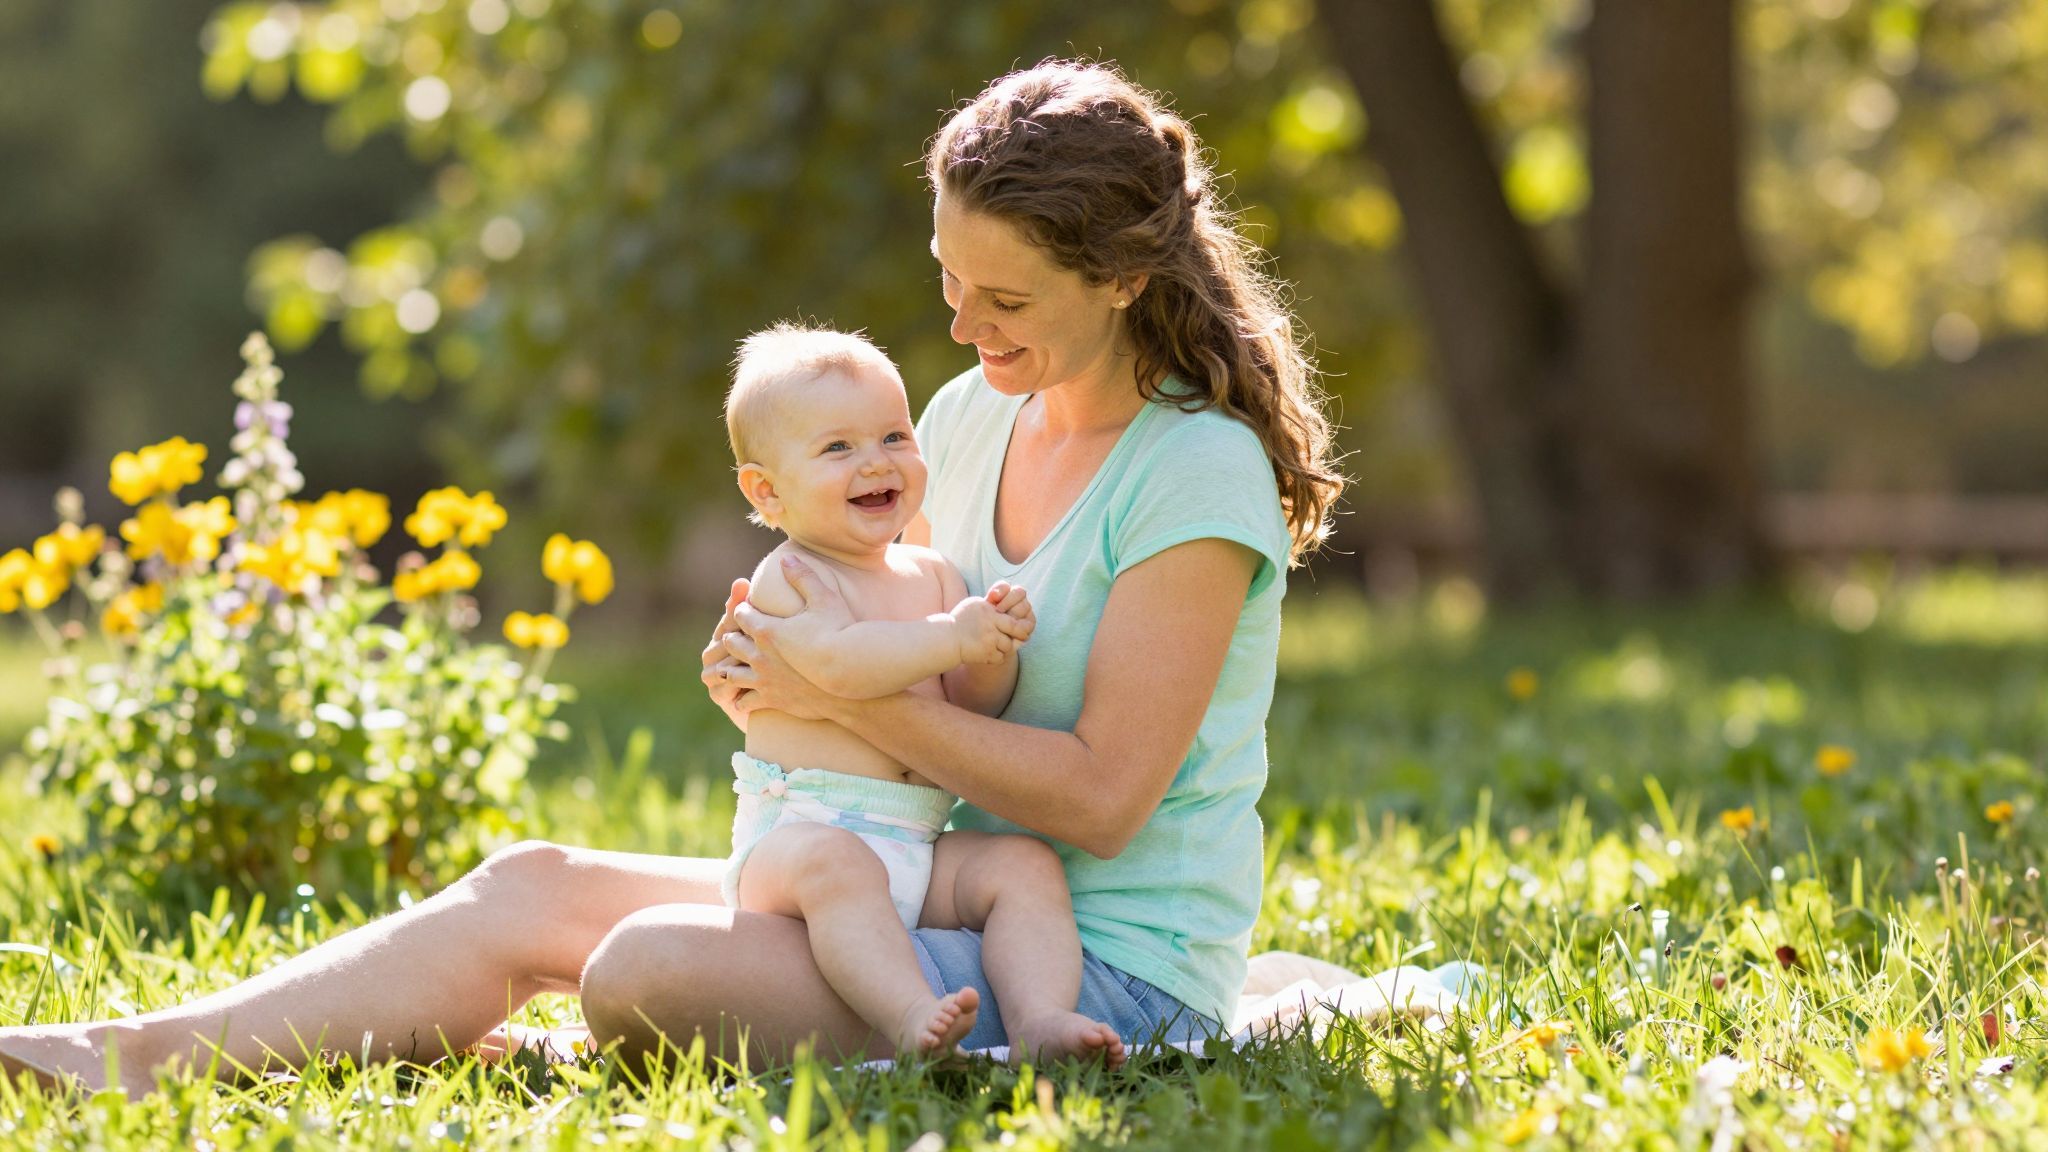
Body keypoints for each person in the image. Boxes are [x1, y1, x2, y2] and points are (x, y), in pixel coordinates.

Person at [0, 58, 1340, 1092]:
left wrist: (863, 700)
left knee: (640, 968)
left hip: (1100, 969)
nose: (959, 324)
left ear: (1114, 280)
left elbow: (1105, 803)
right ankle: (135, 1050)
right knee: (529, 882)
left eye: (1004, 300)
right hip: (906, 879)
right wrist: (778, 680)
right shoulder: (970, 413)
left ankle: (732, 1025)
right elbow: (913, 653)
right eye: (948, 280)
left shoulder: (1195, 474)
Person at [712, 321, 1122, 1064]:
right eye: (838, 448)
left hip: (916, 842)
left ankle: (1040, 1018)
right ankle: (909, 1020)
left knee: (1022, 866)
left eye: (895, 436)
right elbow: (838, 666)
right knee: (840, 869)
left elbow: (968, 706)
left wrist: (992, 649)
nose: (877, 462)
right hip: (800, 840)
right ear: (767, 490)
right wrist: (951, 637)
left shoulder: (931, 575)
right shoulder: (793, 576)